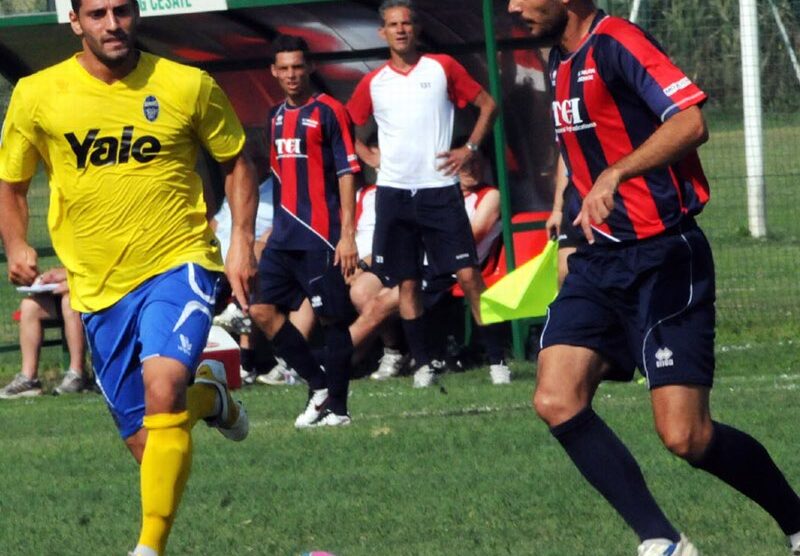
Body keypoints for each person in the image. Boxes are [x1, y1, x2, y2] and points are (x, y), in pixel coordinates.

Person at [508, 1, 800, 555]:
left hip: (663, 255)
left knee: (686, 437)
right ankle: (662, 540)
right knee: (555, 397)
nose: (514, 7)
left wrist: (618, 172)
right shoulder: (557, 60)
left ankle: (796, 521)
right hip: (597, 259)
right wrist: (565, 207)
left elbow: (691, 121)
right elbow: (580, 151)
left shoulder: (618, 42)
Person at [0, 0, 258, 552]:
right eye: (97, 14)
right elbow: (13, 182)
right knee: (150, 447)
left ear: (138, 13)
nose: (111, 24)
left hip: (180, 261)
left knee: (163, 387)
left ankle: (147, 548)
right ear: (75, 21)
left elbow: (236, 160)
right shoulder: (37, 94)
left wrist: (239, 241)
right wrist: (17, 242)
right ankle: (210, 397)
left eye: (121, 10)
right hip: (96, 286)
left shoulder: (186, 84)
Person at [347, 0, 498, 388]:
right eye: (393, 25)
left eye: (407, 23)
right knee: (407, 282)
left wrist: (471, 149)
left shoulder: (441, 67)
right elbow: (345, 124)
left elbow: (488, 105)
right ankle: (425, 365)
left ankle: (498, 359)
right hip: (395, 194)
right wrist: (367, 154)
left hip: (439, 191)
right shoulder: (373, 82)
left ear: (416, 29)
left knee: (467, 274)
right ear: (383, 33)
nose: (400, 30)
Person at [248, 34, 360, 428]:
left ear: (310, 67)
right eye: (285, 68)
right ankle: (318, 385)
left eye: (299, 66)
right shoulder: (275, 116)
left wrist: (347, 234)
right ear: (274, 72)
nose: (292, 74)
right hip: (283, 236)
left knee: (332, 320)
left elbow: (348, 171)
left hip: (321, 235)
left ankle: (340, 410)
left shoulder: (330, 111)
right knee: (261, 309)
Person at [0, 266, 87, 399]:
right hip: (72, 287)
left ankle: (77, 374)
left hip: (96, 292)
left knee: (69, 301)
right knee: (29, 306)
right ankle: (28, 379)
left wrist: (73, 280)